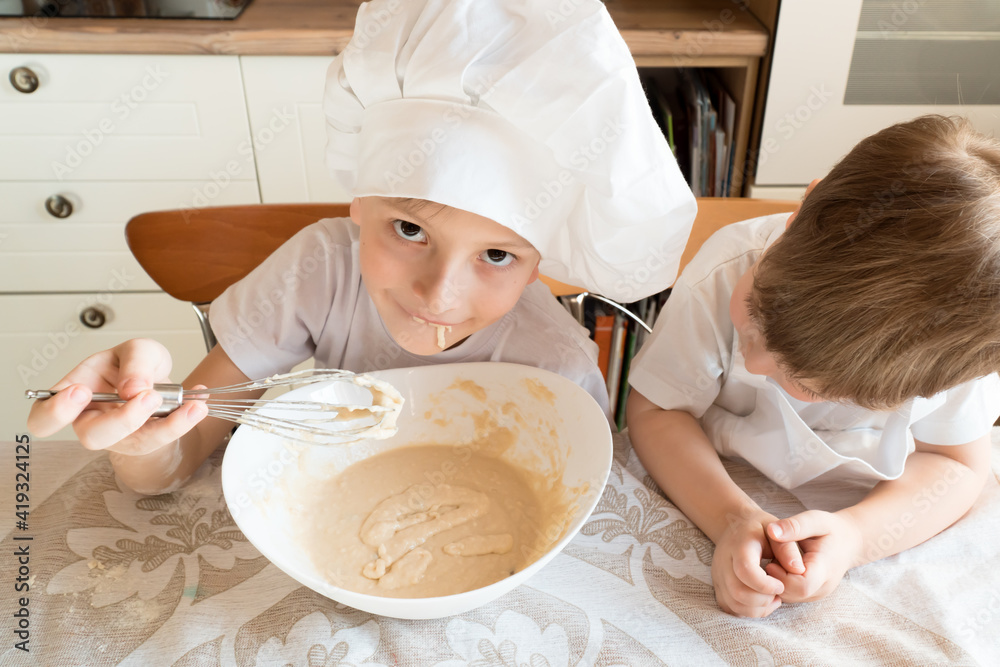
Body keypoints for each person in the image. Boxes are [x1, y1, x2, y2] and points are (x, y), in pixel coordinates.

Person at [27, 0, 696, 495]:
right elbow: (181, 450)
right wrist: (144, 441)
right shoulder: (319, 271)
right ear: (359, 200)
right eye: (409, 230)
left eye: (497, 256)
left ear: (541, 261)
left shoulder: (557, 370)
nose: (439, 295)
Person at [626, 114, 1000, 618]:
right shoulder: (725, 269)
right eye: (755, 317)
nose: (754, 362)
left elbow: (957, 464)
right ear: (803, 207)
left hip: (876, 506)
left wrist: (856, 537)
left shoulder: (948, 355)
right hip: (708, 475)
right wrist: (731, 519)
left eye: (801, 382)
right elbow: (655, 410)